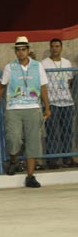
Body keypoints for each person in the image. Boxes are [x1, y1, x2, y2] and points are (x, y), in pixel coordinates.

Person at [0, 36, 51, 188]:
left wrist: (47, 108)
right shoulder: (10, 67)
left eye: (23, 50)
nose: (21, 53)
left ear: (28, 50)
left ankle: (30, 176)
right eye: (18, 50)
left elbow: (43, 87)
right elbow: (2, 86)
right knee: (14, 138)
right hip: (14, 108)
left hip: (33, 107)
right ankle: (13, 159)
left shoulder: (37, 66)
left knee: (33, 141)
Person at [40, 38, 77, 168]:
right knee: (52, 131)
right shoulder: (44, 64)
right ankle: (53, 160)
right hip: (52, 102)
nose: (55, 49)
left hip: (67, 101)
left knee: (67, 131)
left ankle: (67, 158)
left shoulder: (67, 63)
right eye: (53, 46)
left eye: (57, 46)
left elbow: (69, 81)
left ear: (61, 48)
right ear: (50, 48)